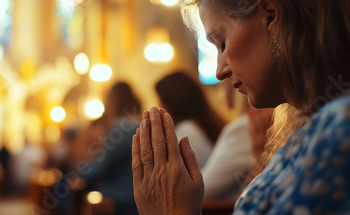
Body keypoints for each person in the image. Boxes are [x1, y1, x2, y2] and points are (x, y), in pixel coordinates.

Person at [131, 0, 350, 214]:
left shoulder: (340, 122)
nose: (219, 71)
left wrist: (173, 209)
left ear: (271, 16)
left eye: (222, 43)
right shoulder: (305, 128)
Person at [83, 82, 140, 215]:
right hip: (135, 194)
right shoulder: (136, 124)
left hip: (122, 198)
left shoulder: (122, 127)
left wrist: (81, 172)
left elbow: (103, 166)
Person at [155, 72, 225, 168]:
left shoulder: (185, 132)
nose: (160, 107)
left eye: (160, 101)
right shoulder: (206, 124)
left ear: (171, 102)